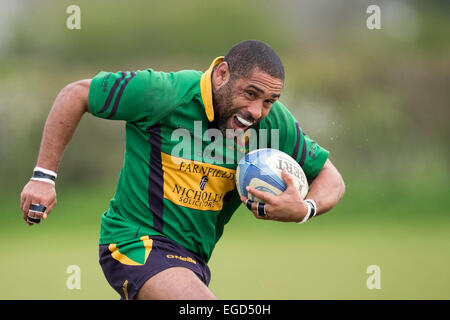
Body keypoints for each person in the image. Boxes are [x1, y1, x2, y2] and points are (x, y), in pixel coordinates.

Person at [19, 40, 345, 300]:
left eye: (270, 100)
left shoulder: (272, 123)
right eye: (250, 94)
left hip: (192, 262)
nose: (257, 111)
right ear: (221, 74)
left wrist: (305, 209)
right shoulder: (165, 93)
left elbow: (331, 177)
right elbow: (76, 94)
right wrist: (43, 176)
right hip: (136, 244)